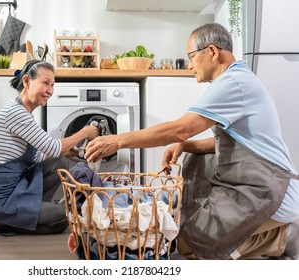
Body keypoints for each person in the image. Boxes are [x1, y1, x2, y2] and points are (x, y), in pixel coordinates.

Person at [84, 23, 299, 260]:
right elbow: (234, 145)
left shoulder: (233, 82)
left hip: (273, 194)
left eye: (192, 57)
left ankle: (283, 236)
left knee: (199, 250)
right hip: (255, 185)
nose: (189, 65)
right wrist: (186, 145)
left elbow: (181, 128)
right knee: (187, 241)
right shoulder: (234, 79)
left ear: (213, 52)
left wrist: (116, 141)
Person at [0, 60, 99, 235]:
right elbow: (52, 147)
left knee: (59, 162)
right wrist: (85, 132)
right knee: (62, 217)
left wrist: (76, 152)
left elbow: (40, 156)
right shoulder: (15, 113)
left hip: (11, 188)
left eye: (53, 85)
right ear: (26, 81)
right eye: (46, 83)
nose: (50, 91)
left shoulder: (24, 114)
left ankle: (30, 210)